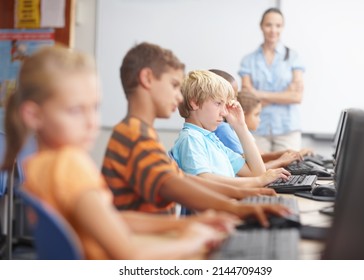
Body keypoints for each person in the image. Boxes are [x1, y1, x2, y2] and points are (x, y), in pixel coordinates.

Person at [1, 45, 237, 260]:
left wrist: (185, 226)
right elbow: (129, 254)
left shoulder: (40, 163)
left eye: (95, 108)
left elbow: (110, 220)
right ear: (33, 115)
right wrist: (196, 240)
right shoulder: (70, 165)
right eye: (75, 110)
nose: (92, 122)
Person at [102, 42, 291, 227]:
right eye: (174, 85)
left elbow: (183, 180)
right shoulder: (135, 136)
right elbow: (190, 183)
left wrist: (246, 191)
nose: (178, 96)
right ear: (148, 78)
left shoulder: (143, 134)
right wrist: (245, 195)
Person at [170, 69, 290, 188]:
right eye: (218, 103)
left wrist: (240, 127)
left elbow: (257, 172)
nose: (224, 112)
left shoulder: (212, 140)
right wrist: (259, 180)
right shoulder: (191, 138)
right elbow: (204, 180)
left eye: (225, 105)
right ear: (195, 103)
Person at [239, 7, 305, 152]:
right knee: (260, 170)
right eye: (268, 25)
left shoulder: (294, 57)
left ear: (283, 27)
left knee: (291, 172)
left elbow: (296, 96)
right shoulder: (248, 60)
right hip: (257, 129)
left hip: (287, 129)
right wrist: (284, 95)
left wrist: (258, 93)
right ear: (261, 26)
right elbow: (246, 99)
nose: (273, 30)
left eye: (278, 25)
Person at [237, 90, 303, 169]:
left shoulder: (246, 134)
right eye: (256, 114)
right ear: (242, 114)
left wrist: (284, 154)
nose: (259, 120)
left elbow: (260, 156)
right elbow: (256, 166)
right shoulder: (232, 134)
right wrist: (281, 160)